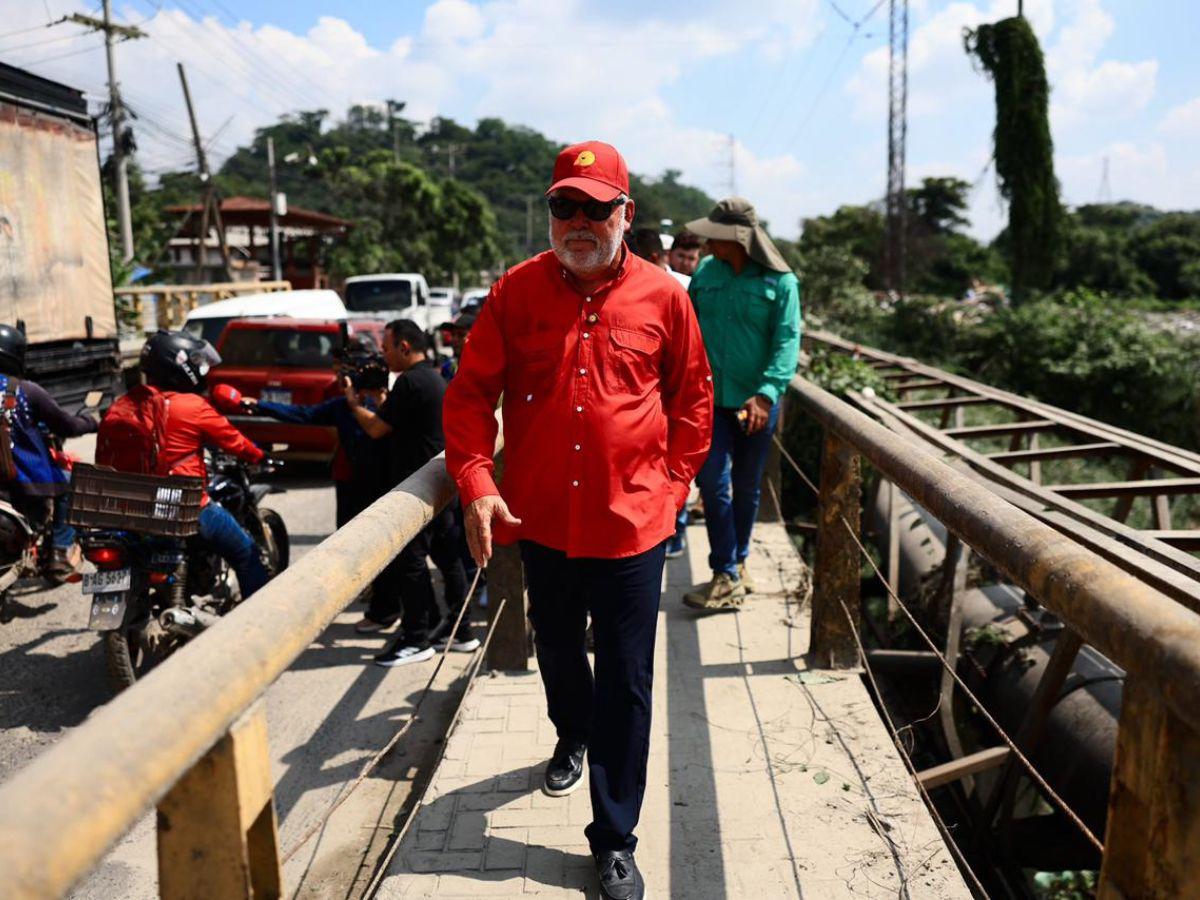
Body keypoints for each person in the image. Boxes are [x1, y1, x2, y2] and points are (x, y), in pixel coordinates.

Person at [443, 140, 712, 900]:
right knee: (557, 648)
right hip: (540, 518)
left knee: (626, 678)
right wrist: (473, 480)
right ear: (551, 212)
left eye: (598, 207)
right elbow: (468, 399)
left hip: (633, 526)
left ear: (625, 215)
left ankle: (614, 838)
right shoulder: (515, 291)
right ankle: (570, 732)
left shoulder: (667, 296)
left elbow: (693, 397)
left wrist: (677, 479)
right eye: (567, 205)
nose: (581, 221)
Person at [680, 198, 801, 610]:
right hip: (708, 401)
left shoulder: (781, 282)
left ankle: (739, 561)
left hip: (757, 404)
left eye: (715, 236)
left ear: (738, 239)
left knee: (747, 487)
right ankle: (726, 572)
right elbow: (687, 331)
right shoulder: (706, 273)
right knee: (713, 484)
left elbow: (787, 343)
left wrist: (767, 393)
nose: (707, 242)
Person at [98, 330, 269, 598]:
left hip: (130, 509)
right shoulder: (192, 406)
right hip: (183, 508)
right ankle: (259, 626)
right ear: (182, 366)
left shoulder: (124, 404)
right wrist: (259, 455)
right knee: (246, 553)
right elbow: (234, 442)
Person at [345, 319, 476, 662]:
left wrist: (353, 404)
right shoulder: (433, 377)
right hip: (441, 480)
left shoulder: (410, 383)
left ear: (404, 347)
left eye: (387, 348)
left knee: (410, 563)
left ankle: (416, 638)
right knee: (449, 559)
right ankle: (461, 631)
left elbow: (376, 429)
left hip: (417, 491)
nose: (384, 356)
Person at [243, 338, 390, 529]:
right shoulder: (342, 406)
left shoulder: (389, 401)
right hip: (350, 481)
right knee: (348, 534)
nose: (340, 375)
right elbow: (303, 414)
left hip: (384, 484)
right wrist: (260, 406)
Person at [0, 323, 98, 575]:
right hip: (24, 483)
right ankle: (60, 549)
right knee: (72, 485)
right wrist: (90, 422)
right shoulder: (26, 391)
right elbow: (65, 425)